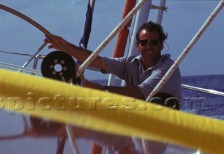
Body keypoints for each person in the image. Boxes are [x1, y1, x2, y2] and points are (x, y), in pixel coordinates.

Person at [45, 21, 181, 103]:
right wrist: (65, 46)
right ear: (137, 46)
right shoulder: (130, 63)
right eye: (144, 42)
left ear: (161, 45)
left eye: (154, 42)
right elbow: (97, 61)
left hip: (162, 133)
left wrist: (102, 90)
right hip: (137, 124)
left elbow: (139, 92)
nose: (149, 46)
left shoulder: (168, 68)